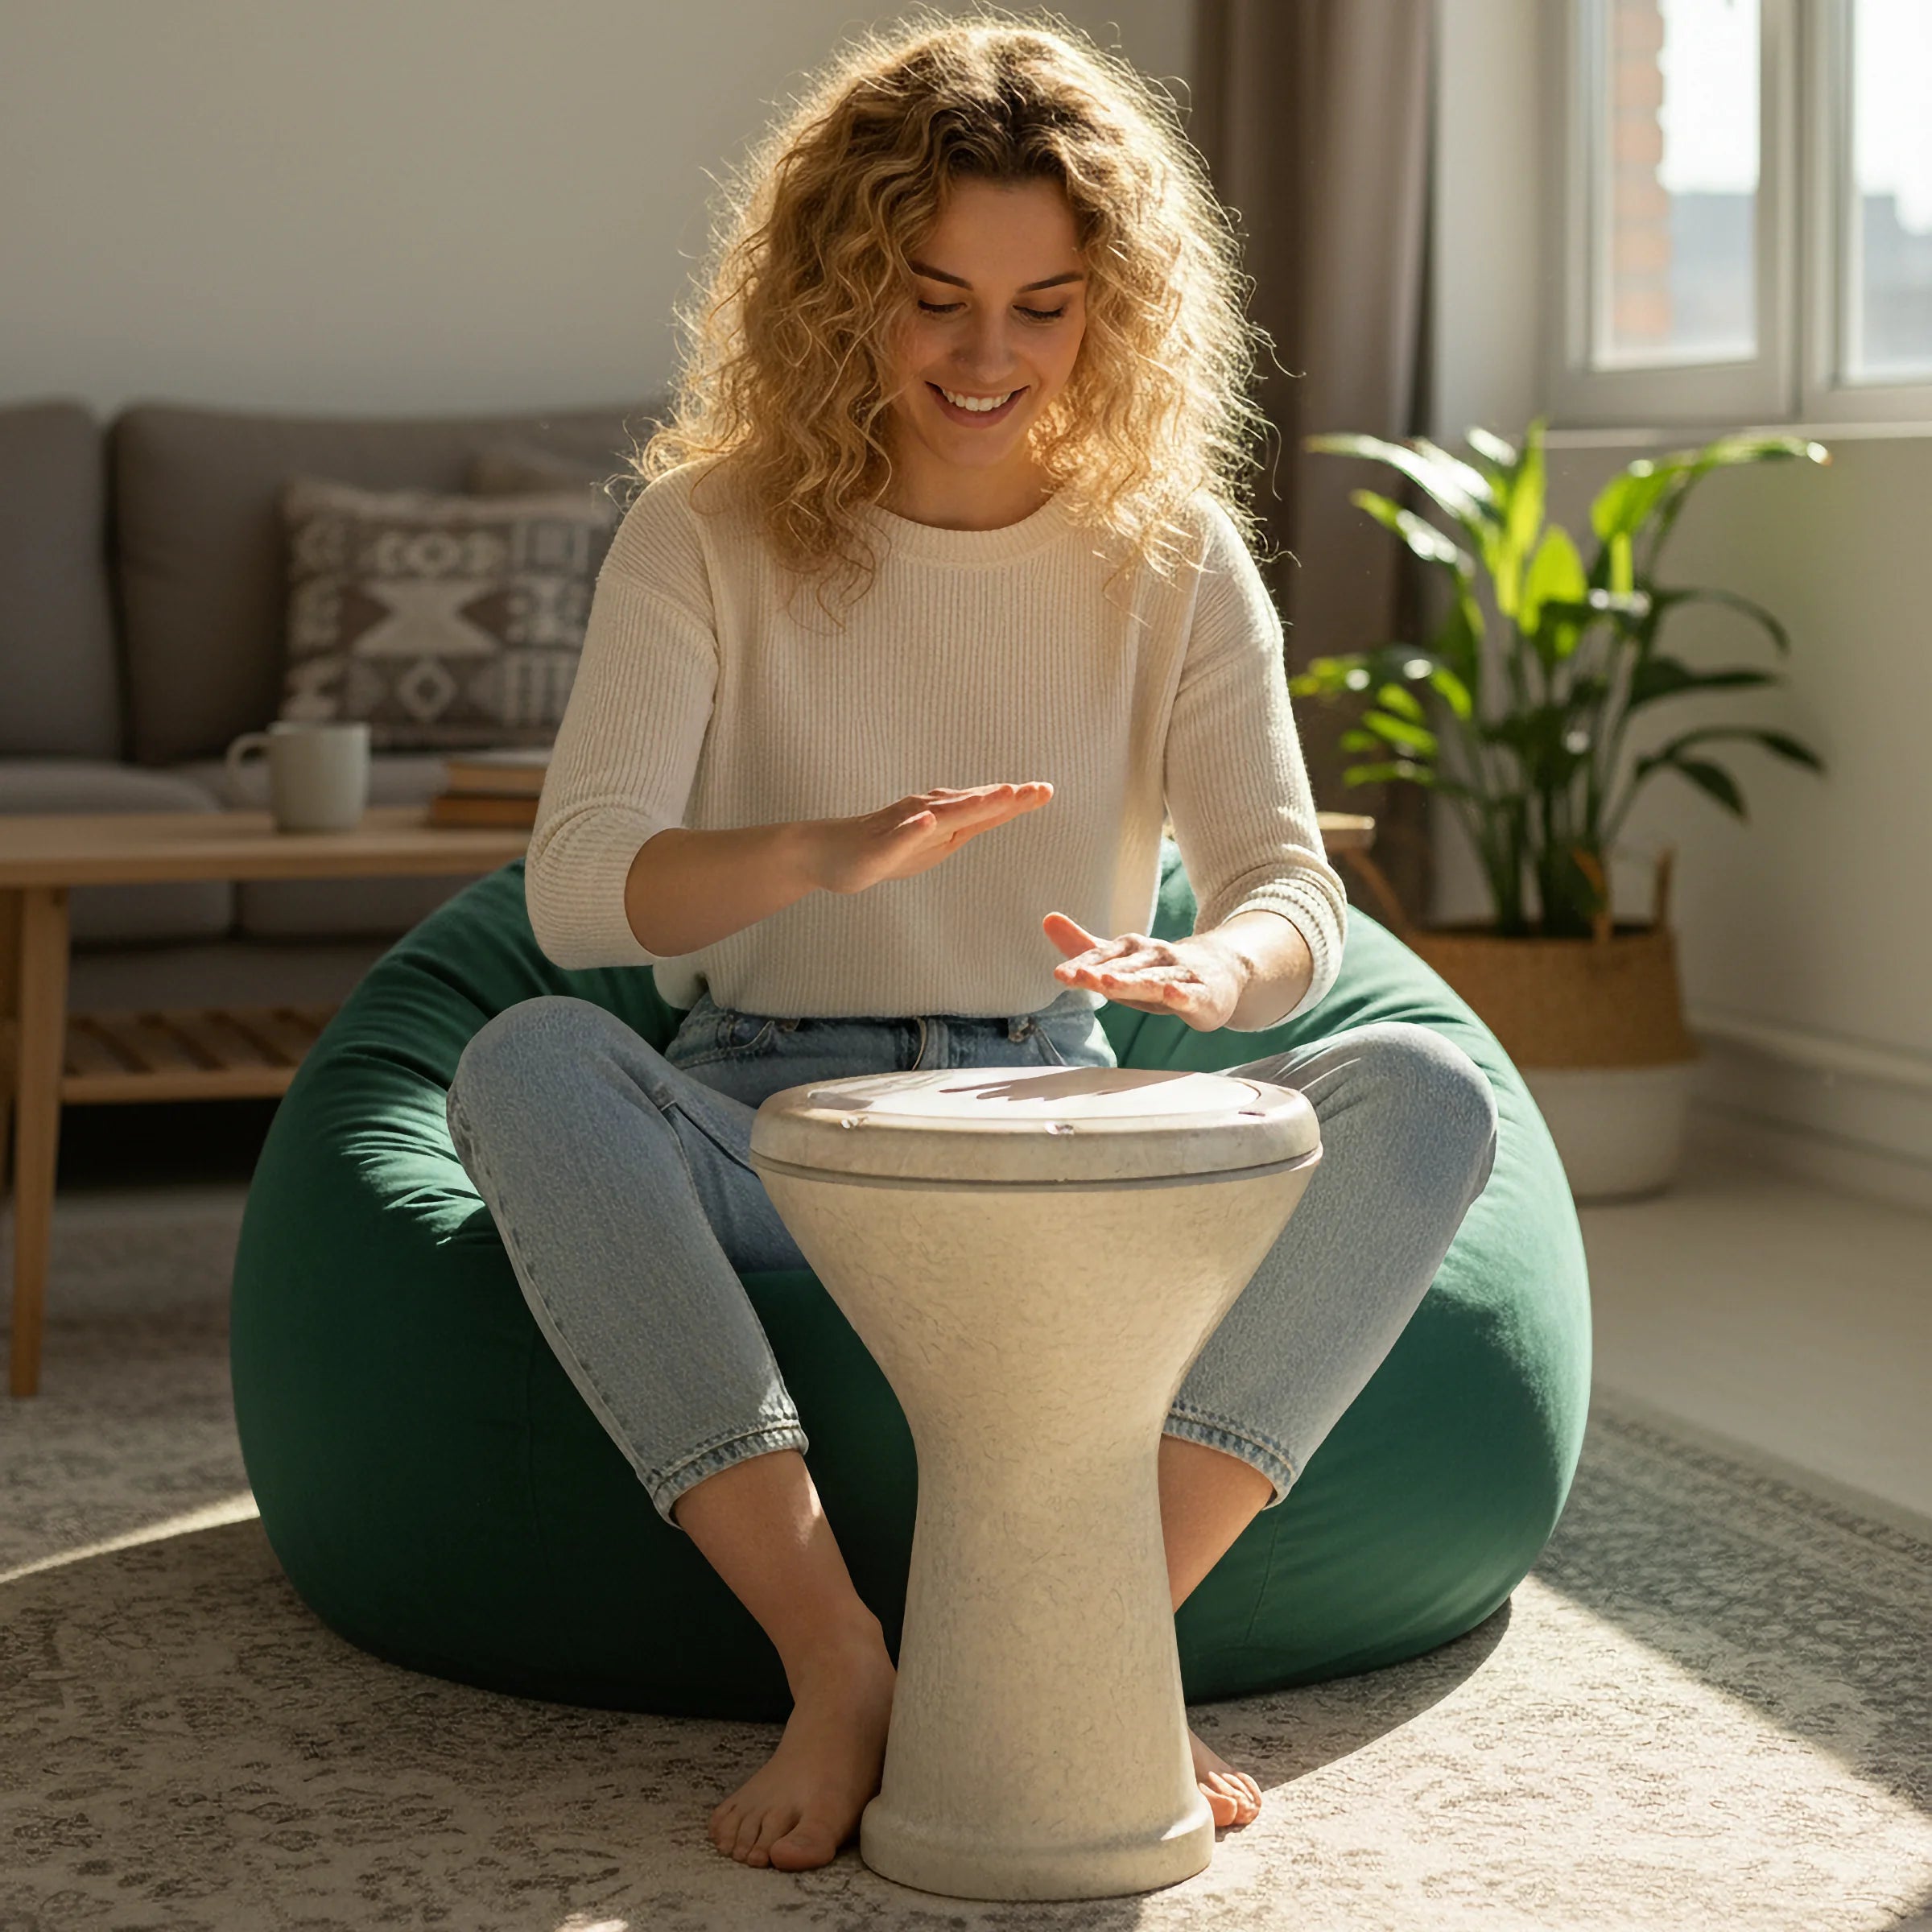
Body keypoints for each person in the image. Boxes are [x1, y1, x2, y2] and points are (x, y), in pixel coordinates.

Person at [445, 9, 1496, 1877]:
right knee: (525, 1063)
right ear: (840, 288)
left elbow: (1292, 888)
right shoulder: (703, 535)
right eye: (933, 299)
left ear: (1116, 307)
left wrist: (1219, 976)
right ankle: (838, 1657)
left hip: (1052, 1126)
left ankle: (1095, 1630)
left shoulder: (1170, 550)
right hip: (766, 1132)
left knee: (1424, 1093)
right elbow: (578, 891)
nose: (988, 356)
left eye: (1045, 304)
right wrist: (816, 854)